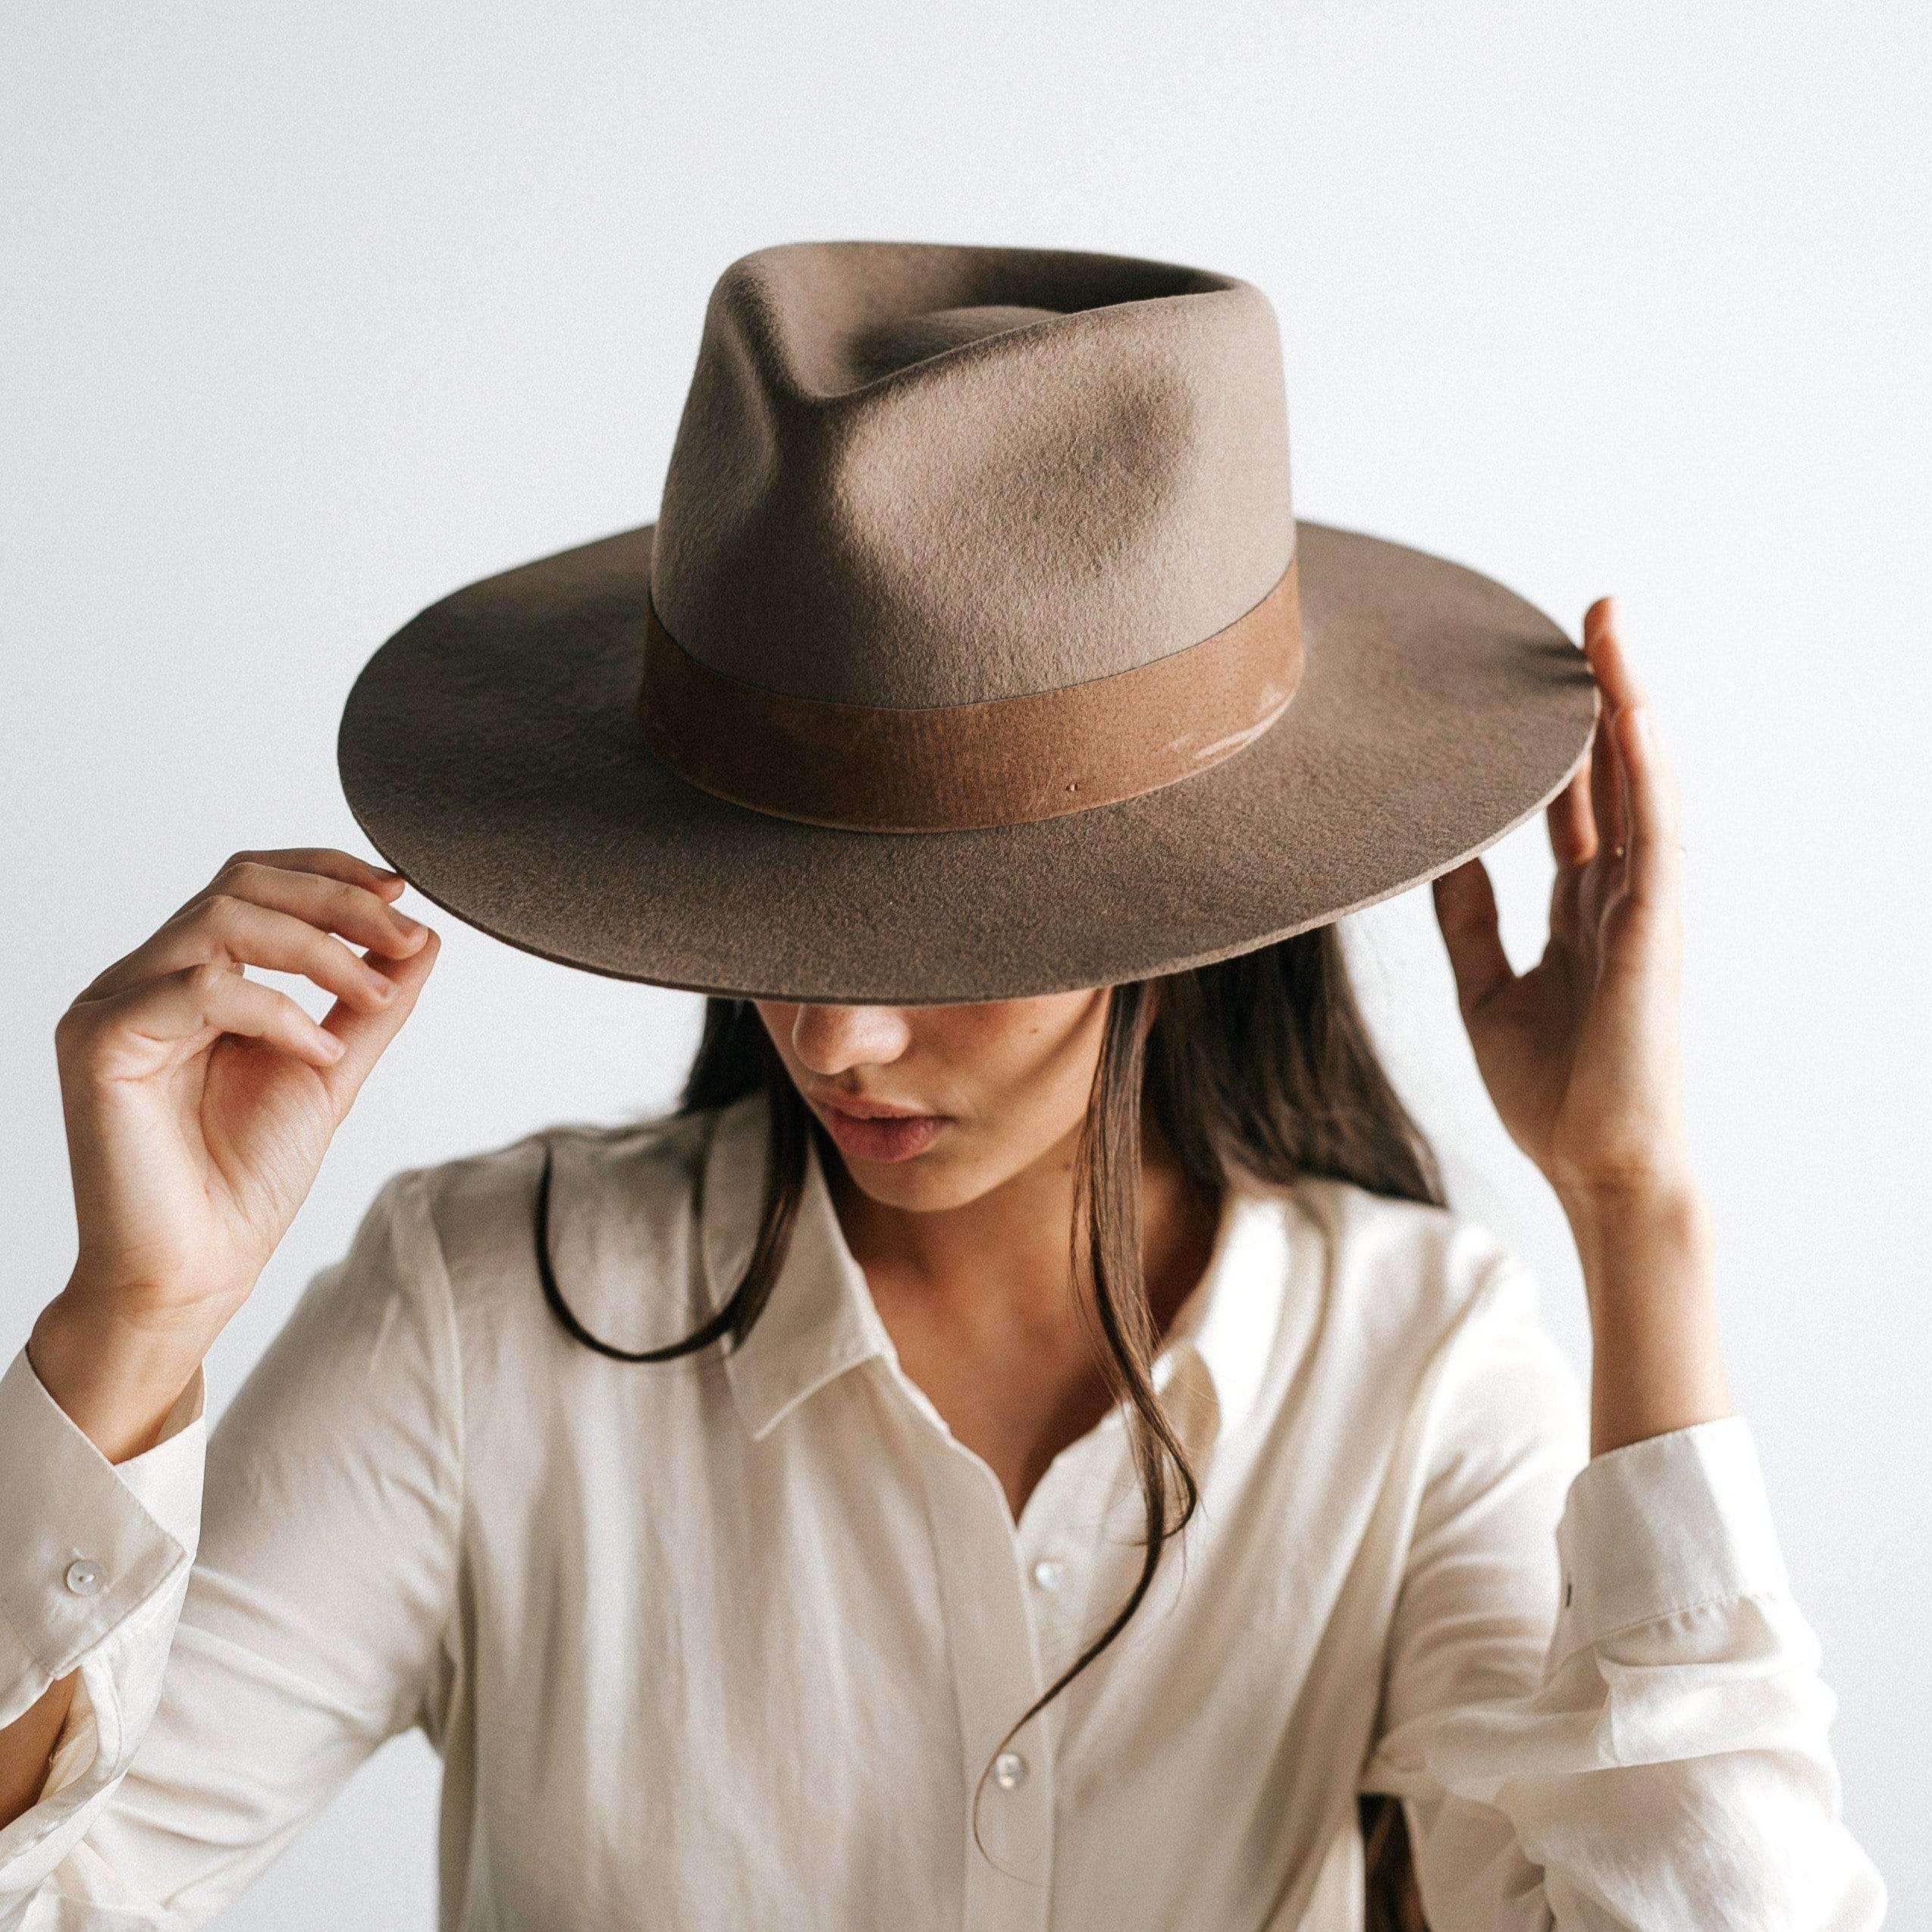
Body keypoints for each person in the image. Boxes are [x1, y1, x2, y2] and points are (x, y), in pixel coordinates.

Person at [0, 243, 1885, 1929]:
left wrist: (1633, 1205)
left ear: (1176, 907)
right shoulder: (489, 1308)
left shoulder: (1406, 1362)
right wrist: (136, 1315)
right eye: (781, 904)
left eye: (946, 929)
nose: (829, 1038)